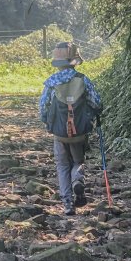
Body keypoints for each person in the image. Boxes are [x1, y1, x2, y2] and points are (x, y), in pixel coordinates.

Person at [39, 42, 102, 216]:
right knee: (77, 162)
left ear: (58, 63)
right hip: (80, 132)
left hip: (59, 132)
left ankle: (67, 203)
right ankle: (77, 181)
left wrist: (47, 122)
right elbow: (96, 102)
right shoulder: (83, 80)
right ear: (75, 61)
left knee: (61, 165)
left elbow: (43, 106)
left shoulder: (51, 82)